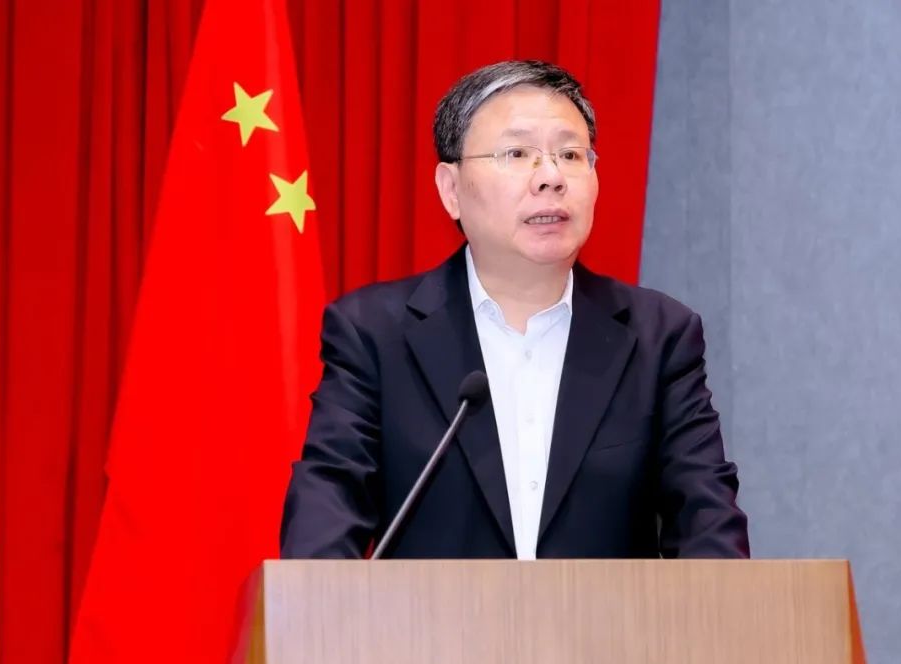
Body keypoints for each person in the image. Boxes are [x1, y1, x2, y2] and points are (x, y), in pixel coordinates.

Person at [280, 60, 749, 560]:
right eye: (518, 153)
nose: (551, 177)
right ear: (451, 189)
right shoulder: (374, 335)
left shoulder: (659, 339)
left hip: (607, 618)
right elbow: (321, 535)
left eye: (570, 154)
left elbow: (710, 531)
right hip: (432, 616)